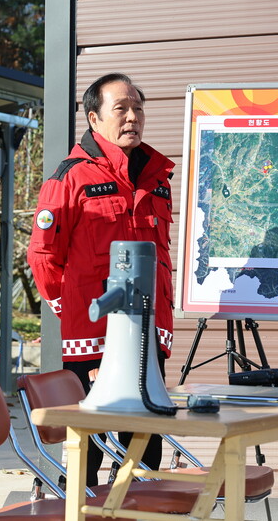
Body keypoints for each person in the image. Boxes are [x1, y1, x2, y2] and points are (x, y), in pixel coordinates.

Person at [28, 73, 175, 485]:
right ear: (94, 118)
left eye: (138, 108)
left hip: (147, 332)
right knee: (86, 447)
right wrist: (71, 309)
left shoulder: (157, 177)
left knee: (145, 445)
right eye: (121, 109)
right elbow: (42, 256)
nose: (133, 117)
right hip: (91, 335)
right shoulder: (70, 177)